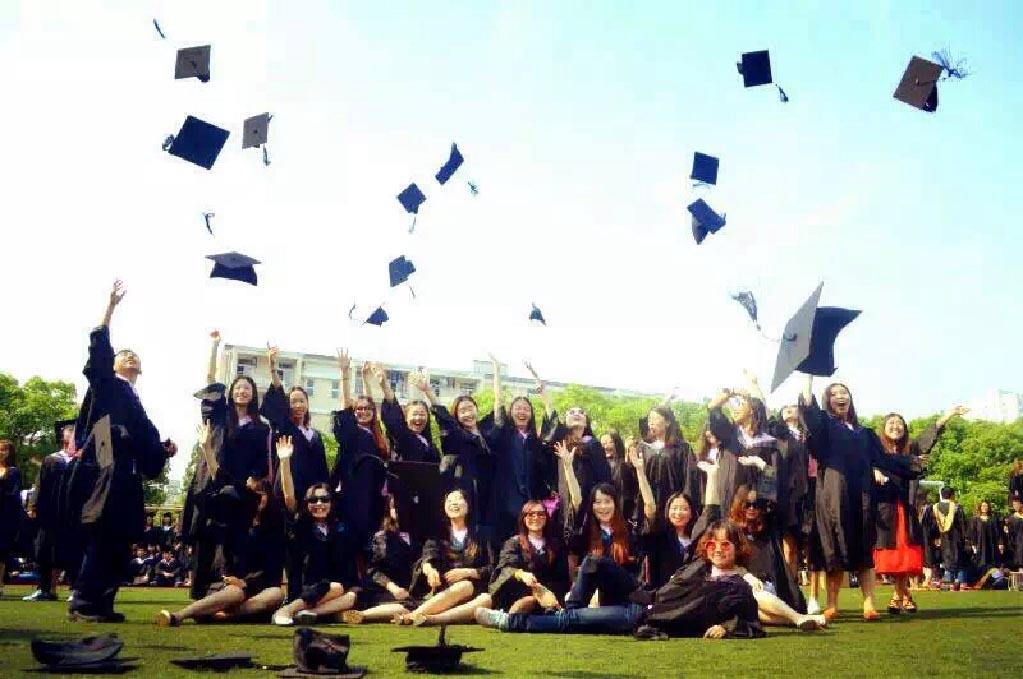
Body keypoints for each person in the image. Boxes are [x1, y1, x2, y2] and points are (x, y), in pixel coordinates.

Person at [67, 281, 177, 622]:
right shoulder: (106, 385)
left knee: (119, 537)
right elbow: (100, 354)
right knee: (101, 533)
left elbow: (145, 442)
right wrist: (110, 309)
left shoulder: (134, 399)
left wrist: (162, 450)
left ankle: (103, 603)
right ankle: (83, 602)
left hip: (126, 474)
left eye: (134, 357)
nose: (129, 357)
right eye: (123, 355)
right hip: (104, 464)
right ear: (112, 364)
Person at [476, 519, 764, 640]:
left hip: (643, 618)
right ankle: (565, 611)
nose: (718, 550)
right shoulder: (699, 566)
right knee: (593, 562)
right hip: (644, 597)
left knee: (573, 620)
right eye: (713, 544)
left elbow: (753, 623)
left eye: (726, 545)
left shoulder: (738, 587)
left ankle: (510, 622)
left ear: (737, 548)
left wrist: (726, 627)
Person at [798, 377, 925, 621]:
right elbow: (811, 419)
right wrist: (808, 380)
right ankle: (832, 604)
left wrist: (912, 463)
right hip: (833, 494)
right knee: (833, 549)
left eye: (844, 392)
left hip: (863, 495)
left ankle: (869, 604)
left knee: (864, 548)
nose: (840, 396)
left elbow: (885, 460)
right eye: (834, 394)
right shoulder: (825, 426)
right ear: (827, 401)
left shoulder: (865, 434)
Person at [182, 330, 272, 601]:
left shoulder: (260, 427)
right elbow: (210, 380)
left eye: (248, 388)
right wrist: (214, 347)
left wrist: (255, 479)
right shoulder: (220, 415)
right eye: (238, 387)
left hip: (240, 490)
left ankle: (227, 590)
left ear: (253, 395)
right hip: (211, 480)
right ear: (231, 392)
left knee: (234, 539)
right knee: (206, 534)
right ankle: (201, 592)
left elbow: (260, 461)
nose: (242, 391)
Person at [157, 478, 286, 626]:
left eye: (260, 493)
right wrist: (233, 580)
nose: (254, 498)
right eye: (250, 493)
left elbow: (272, 570)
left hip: (256, 589)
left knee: (276, 593)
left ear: (268, 496)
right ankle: (179, 616)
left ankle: (219, 615)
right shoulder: (231, 523)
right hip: (228, 587)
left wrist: (245, 583)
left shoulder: (275, 528)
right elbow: (224, 564)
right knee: (235, 593)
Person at [873, 407, 965, 612]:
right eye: (891, 423)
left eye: (899, 423)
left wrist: (949, 415)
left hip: (906, 507)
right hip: (884, 509)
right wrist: (875, 470)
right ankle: (905, 596)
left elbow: (928, 437)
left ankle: (897, 597)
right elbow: (864, 463)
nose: (896, 427)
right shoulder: (877, 450)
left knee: (904, 553)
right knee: (891, 556)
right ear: (883, 428)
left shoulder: (911, 449)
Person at [261, 345, 329, 602]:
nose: (298, 405)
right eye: (293, 401)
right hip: (288, 491)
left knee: (308, 545)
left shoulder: (316, 435)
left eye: (302, 400)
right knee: (288, 543)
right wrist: (273, 369)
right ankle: (287, 595)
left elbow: (322, 468)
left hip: (311, 496)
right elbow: (276, 401)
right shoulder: (285, 427)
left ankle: (307, 593)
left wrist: (324, 493)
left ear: (308, 404)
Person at [480, 356, 556, 543]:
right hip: (504, 502)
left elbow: (552, 421)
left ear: (531, 414)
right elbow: (498, 404)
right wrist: (497, 371)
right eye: (517, 408)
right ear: (510, 412)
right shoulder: (504, 434)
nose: (522, 412)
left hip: (529, 504)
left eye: (526, 409)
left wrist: (541, 389)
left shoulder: (536, 441)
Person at [728, 487, 826, 630]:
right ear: (740, 505)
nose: (752, 508)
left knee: (754, 599)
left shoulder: (771, 528)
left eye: (756, 504)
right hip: (745, 586)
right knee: (752, 611)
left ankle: (798, 618)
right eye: (747, 504)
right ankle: (799, 619)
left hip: (767, 588)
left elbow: (781, 503)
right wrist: (747, 576)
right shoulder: (732, 532)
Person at [395, 489, 495, 626]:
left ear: (468, 505)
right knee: (462, 587)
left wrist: (469, 572)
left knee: (485, 599)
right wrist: (429, 570)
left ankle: (429, 619)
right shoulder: (439, 534)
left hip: (476, 589)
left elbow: (494, 567)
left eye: (458, 499)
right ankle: (416, 615)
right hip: (446, 591)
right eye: (450, 501)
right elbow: (428, 555)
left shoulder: (483, 534)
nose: (454, 503)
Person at [415, 372, 496, 533]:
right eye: (462, 411)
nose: (468, 414)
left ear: (476, 409)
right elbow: (444, 419)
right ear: (457, 416)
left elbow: (499, 412)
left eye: (470, 409)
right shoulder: (456, 436)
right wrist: (429, 392)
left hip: (489, 493)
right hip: (466, 492)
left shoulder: (486, 432)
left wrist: (497, 373)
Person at [272, 482, 360, 626]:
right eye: (313, 500)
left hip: (333, 592)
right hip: (307, 588)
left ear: (331, 503)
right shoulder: (299, 528)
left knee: (350, 596)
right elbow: (288, 498)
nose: (319, 504)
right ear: (306, 504)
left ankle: (307, 614)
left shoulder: (340, 529)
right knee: (335, 587)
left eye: (324, 500)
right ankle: (286, 611)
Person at [330, 350, 388, 548]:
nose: (363, 412)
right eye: (359, 409)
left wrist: (366, 379)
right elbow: (345, 411)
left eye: (367, 409)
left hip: (374, 499)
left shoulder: (377, 436)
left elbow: (369, 402)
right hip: (353, 497)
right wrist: (345, 375)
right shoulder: (352, 433)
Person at [340, 496, 421, 624]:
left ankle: (362, 615)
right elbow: (372, 570)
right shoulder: (381, 538)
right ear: (389, 511)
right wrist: (392, 587)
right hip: (382, 589)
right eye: (395, 507)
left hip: (408, 592)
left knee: (413, 604)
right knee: (406, 606)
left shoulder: (417, 538)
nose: (400, 510)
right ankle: (361, 615)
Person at [628, 441, 695, 590]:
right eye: (674, 508)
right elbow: (650, 506)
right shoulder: (661, 535)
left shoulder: (695, 539)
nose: (678, 513)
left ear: (691, 513)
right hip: (662, 593)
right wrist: (640, 471)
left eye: (684, 509)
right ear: (667, 512)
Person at [23, 424, 78, 602]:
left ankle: (76, 591)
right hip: (50, 512)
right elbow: (40, 484)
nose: (73, 435)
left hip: (74, 513)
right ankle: (46, 589)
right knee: (44, 550)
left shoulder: (83, 460)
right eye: (70, 432)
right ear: (62, 438)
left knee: (74, 551)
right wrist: (33, 506)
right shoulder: (51, 459)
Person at [488, 500, 569, 614]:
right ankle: (507, 618)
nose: (536, 518)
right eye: (530, 514)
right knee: (527, 602)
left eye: (540, 514)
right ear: (524, 518)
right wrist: (522, 574)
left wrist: (547, 592)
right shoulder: (514, 543)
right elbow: (506, 568)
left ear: (546, 518)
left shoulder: (555, 545)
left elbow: (561, 577)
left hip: (548, 596)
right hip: (520, 593)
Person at [547, 405, 612, 545]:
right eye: (571, 412)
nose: (577, 414)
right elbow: (552, 420)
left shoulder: (594, 445)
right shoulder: (560, 444)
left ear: (586, 422)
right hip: (565, 504)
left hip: (588, 504)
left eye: (581, 412)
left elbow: (604, 478)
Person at [635, 404, 693, 523]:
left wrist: (684, 505)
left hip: (673, 508)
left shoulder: (682, 448)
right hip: (648, 507)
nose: (651, 423)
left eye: (655, 419)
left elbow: (689, 480)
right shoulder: (643, 447)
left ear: (667, 422)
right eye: (649, 420)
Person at [373, 364, 440, 463]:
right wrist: (384, 385)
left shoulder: (428, 443)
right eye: (414, 414)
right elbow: (394, 419)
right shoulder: (403, 437)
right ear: (406, 418)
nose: (418, 418)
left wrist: (428, 391)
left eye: (422, 414)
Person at [932, 487, 969, 590]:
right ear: (952, 495)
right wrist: (965, 538)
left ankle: (948, 581)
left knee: (946, 557)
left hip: (943, 537)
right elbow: (963, 524)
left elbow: (933, 524)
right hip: (957, 538)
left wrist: (936, 537)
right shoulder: (957, 507)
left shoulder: (935, 507)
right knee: (959, 558)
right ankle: (961, 582)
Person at [0, 439, 23, 597]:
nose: (0, 452)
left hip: (4, 516)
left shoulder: (12, 471)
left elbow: (14, 495)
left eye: (3, 449)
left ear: (9, 453)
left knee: (1, 552)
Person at [601, 430, 638, 525]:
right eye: (603, 443)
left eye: (610, 442)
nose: (606, 446)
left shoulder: (625, 465)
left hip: (624, 512)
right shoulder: (599, 466)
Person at [968, 500, 1003, 574]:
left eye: (986, 506)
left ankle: (991, 577)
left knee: (992, 563)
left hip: (992, 545)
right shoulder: (975, 520)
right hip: (980, 545)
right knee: (981, 563)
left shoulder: (993, 519)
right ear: (980, 507)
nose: (985, 507)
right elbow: (972, 533)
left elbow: (998, 532)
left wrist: (1000, 543)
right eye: (983, 506)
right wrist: (973, 545)